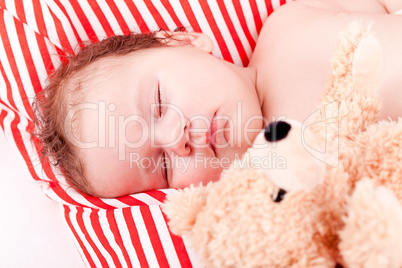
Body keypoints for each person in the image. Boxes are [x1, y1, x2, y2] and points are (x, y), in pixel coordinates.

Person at [33, 0, 402, 198]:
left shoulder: (287, 22)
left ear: (184, 41)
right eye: (163, 167)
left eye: (160, 103)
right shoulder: (277, 181)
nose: (175, 139)